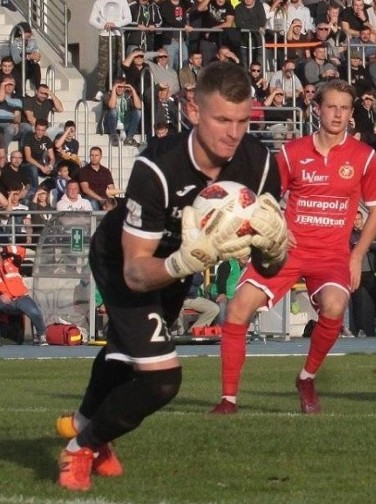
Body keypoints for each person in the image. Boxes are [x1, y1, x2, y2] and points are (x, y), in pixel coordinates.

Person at [53, 61, 284, 492]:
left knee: (130, 352)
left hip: (179, 268)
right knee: (161, 378)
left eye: (242, 121)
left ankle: (87, 423)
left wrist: (274, 249)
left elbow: (270, 266)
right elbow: (136, 270)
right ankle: (80, 447)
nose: (233, 134)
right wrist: (186, 262)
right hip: (125, 260)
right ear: (194, 112)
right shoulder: (157, 167)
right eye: (222, 120)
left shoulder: (261, 165)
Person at [212, 79, 376, 416]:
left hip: (333, 253)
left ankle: (306, 377)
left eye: (344, 108)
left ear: (351, 113)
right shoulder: (292, 152)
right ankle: (228, 400)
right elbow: (265, 197)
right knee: (237, 309)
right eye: (331, 106)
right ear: (316, 108)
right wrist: (274, 226)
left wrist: (356, 255)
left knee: (334, 307)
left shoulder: (363, 157)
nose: (337, 114)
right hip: (286, 250)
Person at [0, 245, 47, 345]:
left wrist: (5, 248)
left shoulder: (11, 261)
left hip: (21, 297)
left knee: (34, 312)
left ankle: (41, 335)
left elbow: (22, 251)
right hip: (3, 300)